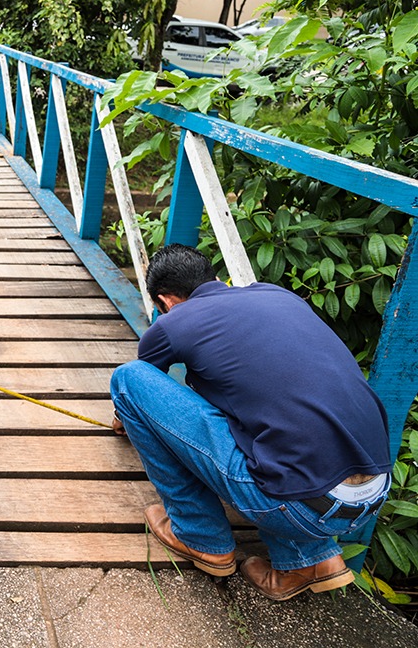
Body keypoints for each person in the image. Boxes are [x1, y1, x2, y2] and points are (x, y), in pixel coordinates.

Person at [110, 244, 391, 601]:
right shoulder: (277, 296)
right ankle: (309, 560)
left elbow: (143, 390)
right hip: (371, 496)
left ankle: (199, 536)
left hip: (298, 507)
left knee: (129, 379)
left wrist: (125, 419)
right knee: (273, 416)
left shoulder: (174, 322)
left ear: (166, 301)